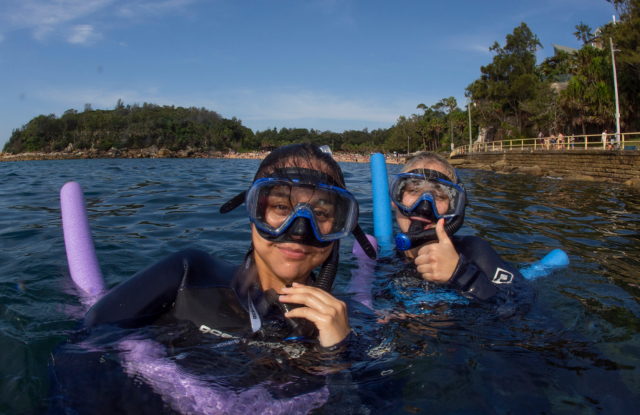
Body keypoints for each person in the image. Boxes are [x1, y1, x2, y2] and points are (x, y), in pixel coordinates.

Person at [50, 143, 380, 412]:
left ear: (340, 229)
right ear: (253, 212)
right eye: (281, 206)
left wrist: (340, 354)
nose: (298, 230)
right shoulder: (187, 275)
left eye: (321, 214)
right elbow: (83, 348)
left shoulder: (353, 324)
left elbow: (373, 403)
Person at [390, 152, 527, 302]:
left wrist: (461, 274)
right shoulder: (384, 260)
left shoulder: (474, 252)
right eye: (413, 191)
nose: (424, 207)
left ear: (454, 210)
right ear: (395, 200)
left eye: (439, 196)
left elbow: (522, 308)